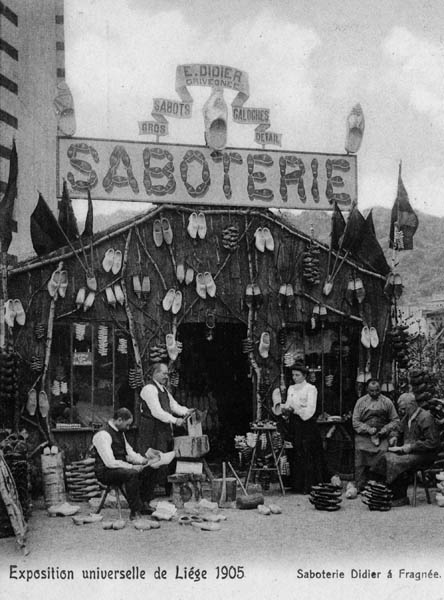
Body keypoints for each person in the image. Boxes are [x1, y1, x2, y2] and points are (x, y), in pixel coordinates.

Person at [372, 392, 440, 506]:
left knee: (395, 461)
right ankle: (385, 491)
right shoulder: (407, 417)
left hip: (425, 455)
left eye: (403, 408)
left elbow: (433, 443)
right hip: (410, 451)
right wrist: (394, 437)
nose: (401, 411)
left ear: (412, 405)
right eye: (401, 409)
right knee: (385, 456)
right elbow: (398, 429)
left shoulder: (426, 417)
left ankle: (400, 497)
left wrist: (412, 447)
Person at [137, 363, 193, 499]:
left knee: (165, 459)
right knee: (152, 461)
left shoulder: (164, 390)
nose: (166, 376)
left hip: (162, 430)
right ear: (154, 373)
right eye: (164, 373)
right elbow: (157, 412)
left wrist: (187, 411)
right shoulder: (149, 389)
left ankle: (164, 491)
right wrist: (175, 420)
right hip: (151, 430)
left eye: (167, 374)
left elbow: (174, 406)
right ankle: (145, 496)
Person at [281, 363, 338, 493]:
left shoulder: (310, 389)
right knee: (295, 452)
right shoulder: (291, 388)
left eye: (297, 375)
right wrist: (286, 409)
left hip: (306, 425)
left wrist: (295, 409)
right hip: (294, 425)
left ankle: (308, 486)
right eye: (293, 375)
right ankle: (296, 485)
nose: (294, 377)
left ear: (304, 375)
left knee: (307, 453)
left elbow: (310, 411)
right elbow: (289, 404)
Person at [92, 407, 156, 519]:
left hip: (119, 467)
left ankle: (143, 503)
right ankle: (135, 511)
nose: (128, 428)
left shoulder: (120, 432)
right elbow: (110, 462)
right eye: (127, 425)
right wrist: (132, 466)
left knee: (151, 468)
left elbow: (129, 452)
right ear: (119, 420)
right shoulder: (103, 435)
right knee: (132, 474)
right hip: (105, 471)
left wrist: (144, 461)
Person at [352, 379, 399, 491]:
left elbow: (395, 420)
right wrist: (367, 429)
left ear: (380, 389)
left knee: (383, 451)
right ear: (367, 390)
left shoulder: (387, 402)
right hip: (365, 435)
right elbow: (355, 422)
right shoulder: (361, 402)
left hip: (382, 435)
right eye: (371, 391)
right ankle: (360, 484)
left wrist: (385, 429)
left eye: (377, 390)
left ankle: (380, 484)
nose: (374, 393)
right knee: (360, 450)